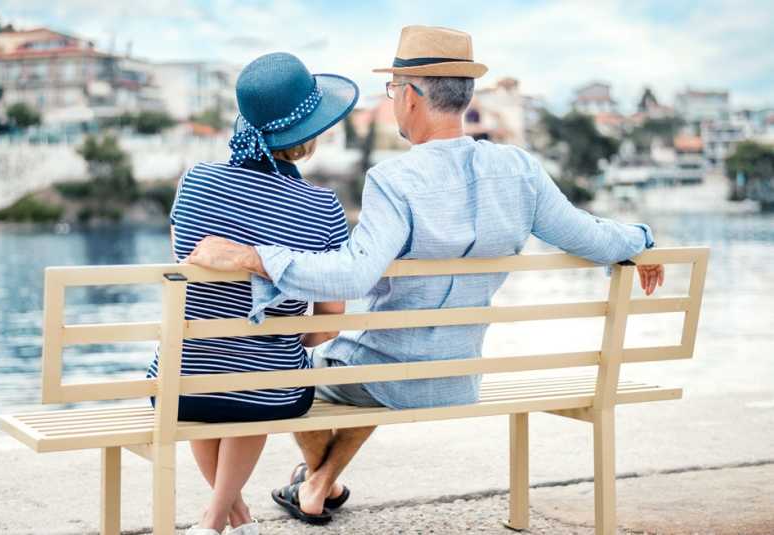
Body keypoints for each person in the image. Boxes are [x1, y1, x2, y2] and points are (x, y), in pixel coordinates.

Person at [185, 26, 666, 524]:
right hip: (461, 375)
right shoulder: (520, 169)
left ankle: (314, 480)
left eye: (393, 91)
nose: (393, 102)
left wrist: (255, 258)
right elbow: (592, 237)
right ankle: (319, 484)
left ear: (411, 96)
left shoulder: (395, 179)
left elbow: (352, 275)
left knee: (308, 372)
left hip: (390, 376)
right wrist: (642, 241)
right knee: (364, 362)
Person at [145, 52, 358, 535]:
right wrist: (290, 337)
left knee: (213, 365)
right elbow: (326, 327)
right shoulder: (322, 207)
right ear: (306, 133)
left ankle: (226, 513)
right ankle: (216, 518)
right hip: (269, 395)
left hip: (180, 385)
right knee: (263, 370)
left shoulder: (194, 181)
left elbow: (185, 278)